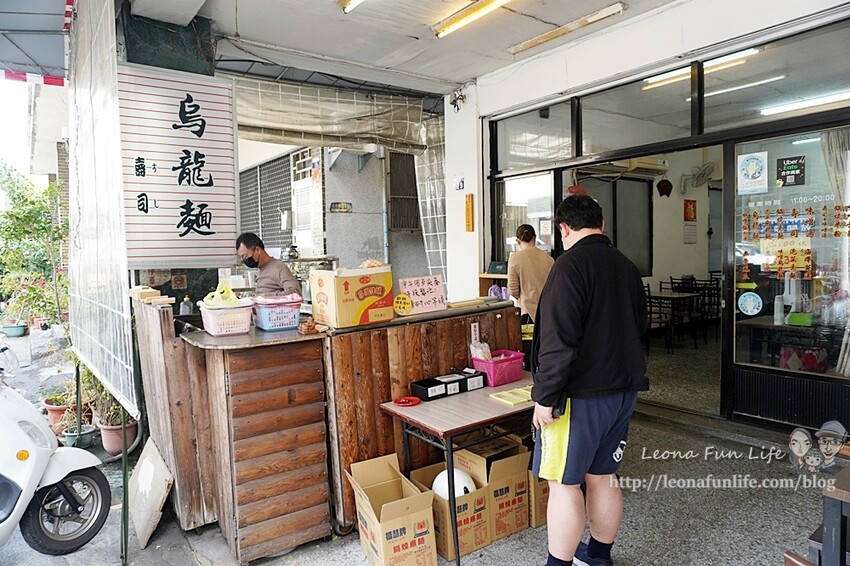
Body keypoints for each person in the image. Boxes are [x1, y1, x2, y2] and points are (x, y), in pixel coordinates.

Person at [530, 195, 648, 566]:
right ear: (602, 226)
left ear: (564, 228)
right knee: (603, 475)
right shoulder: (627, 266)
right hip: (623, 391)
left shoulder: (569, 267)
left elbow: (557, 340)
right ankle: (598, 557)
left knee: (563, 484)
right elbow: (639, 327)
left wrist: (545, 396)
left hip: (579, 399)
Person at [507, 224, 554, 324]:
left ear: (517, 241)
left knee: (529, 340)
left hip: (527, 313)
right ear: (535, 238)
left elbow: (513, 290)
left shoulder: (515, 258)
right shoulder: (548, 258)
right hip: (547, 311)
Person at [235, 233, 302, 296]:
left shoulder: (278, 268)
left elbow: (295, 292)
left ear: (257, 250)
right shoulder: (261, 269)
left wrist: (268, 297)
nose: (244, 260)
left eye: (245, 256)